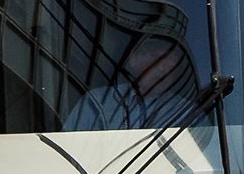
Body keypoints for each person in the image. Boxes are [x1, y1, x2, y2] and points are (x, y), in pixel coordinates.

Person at [62, 34, 199, 133]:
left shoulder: (187, 111)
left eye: (172, 58)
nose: (165, 67)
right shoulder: (96, 102)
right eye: (157, 57)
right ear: (133, 60)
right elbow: (68, 152)